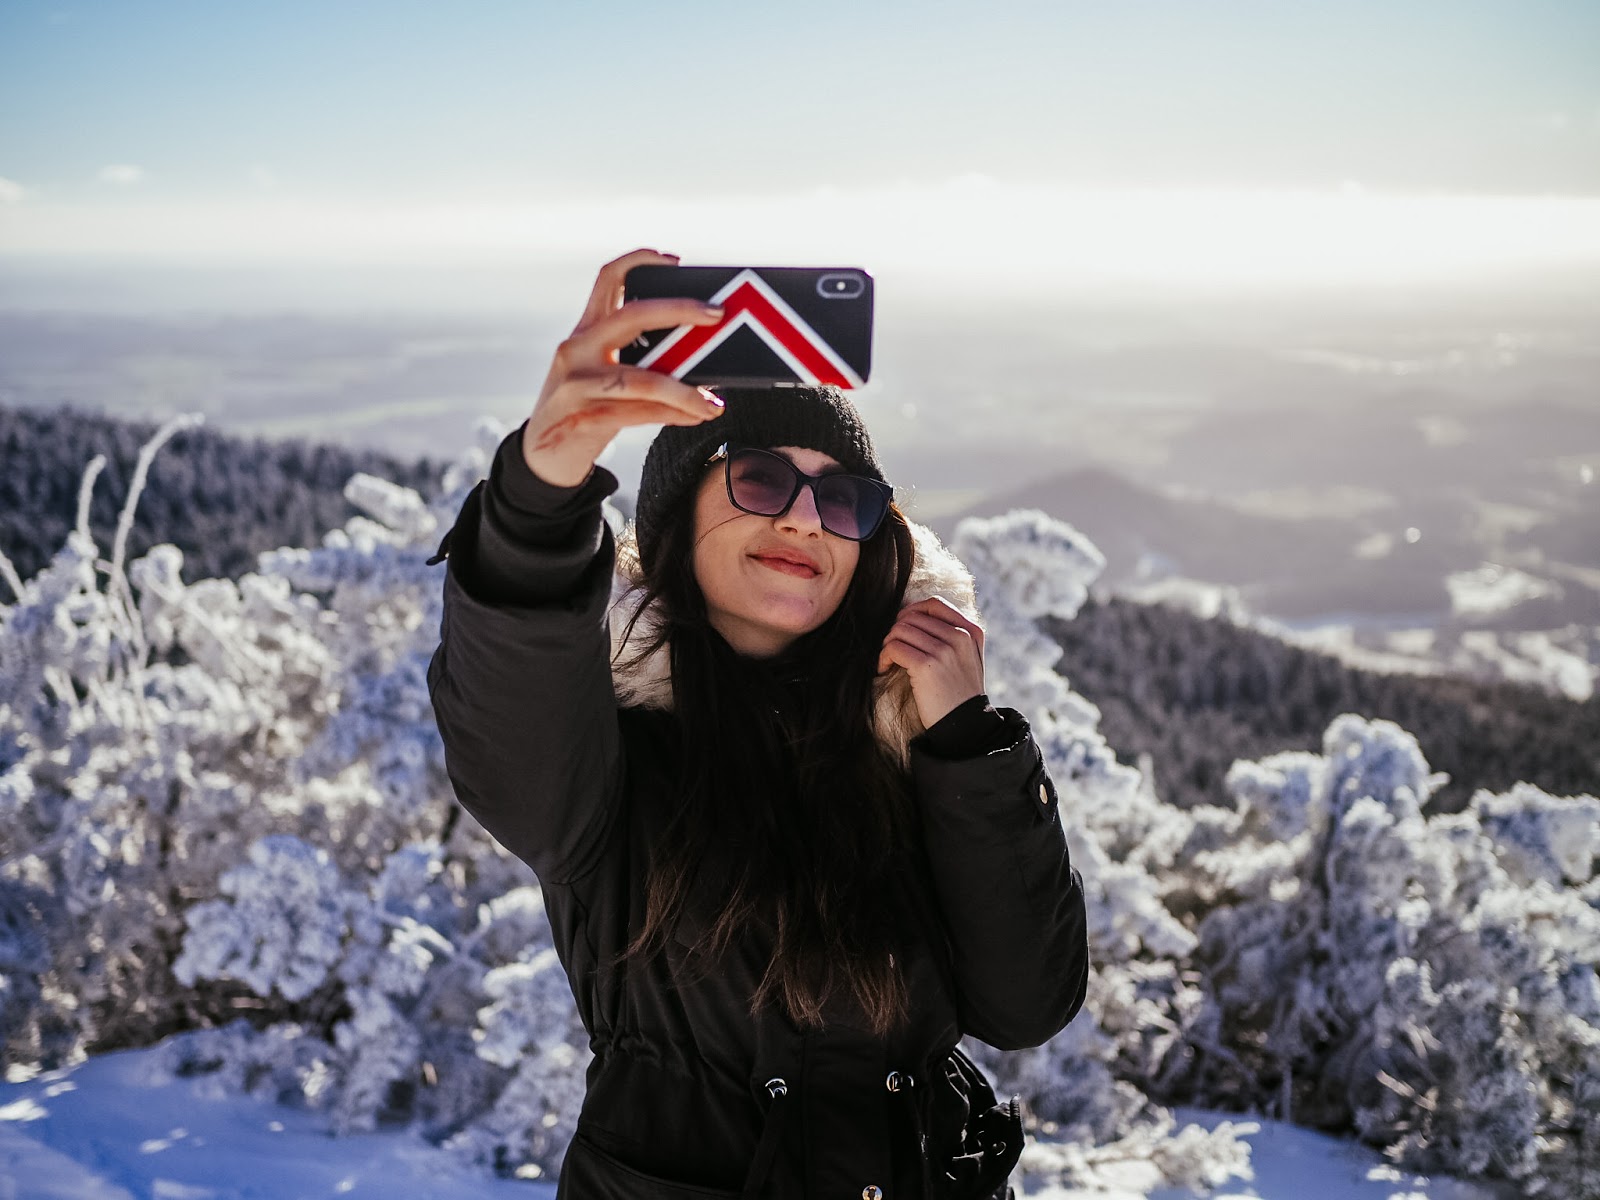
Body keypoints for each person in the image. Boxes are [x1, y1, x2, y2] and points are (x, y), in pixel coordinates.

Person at [427, 249, 1089, 1200]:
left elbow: (1025, 1004)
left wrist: (964, 745)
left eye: (844, 498)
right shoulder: (605, 765)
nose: (808, 520)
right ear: (675, 517)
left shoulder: (912, 746)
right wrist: (537, 495)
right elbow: (511, 703)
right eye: (764, 479)